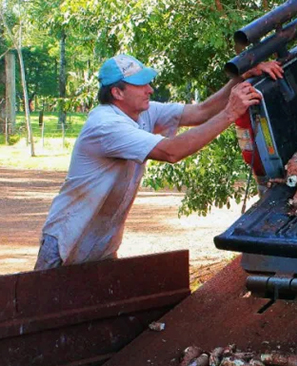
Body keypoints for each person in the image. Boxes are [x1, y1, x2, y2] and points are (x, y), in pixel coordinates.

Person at [34, 54, 283, 270]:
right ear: (117, 92)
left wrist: (241, 77)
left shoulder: (142, 111)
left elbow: (201, 112)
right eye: (141, 84)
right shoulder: (106, 125)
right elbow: (171, 152)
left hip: (102, 244)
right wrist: (230, 113)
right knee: (43, 318)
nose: (150, 89)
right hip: (67, 243)